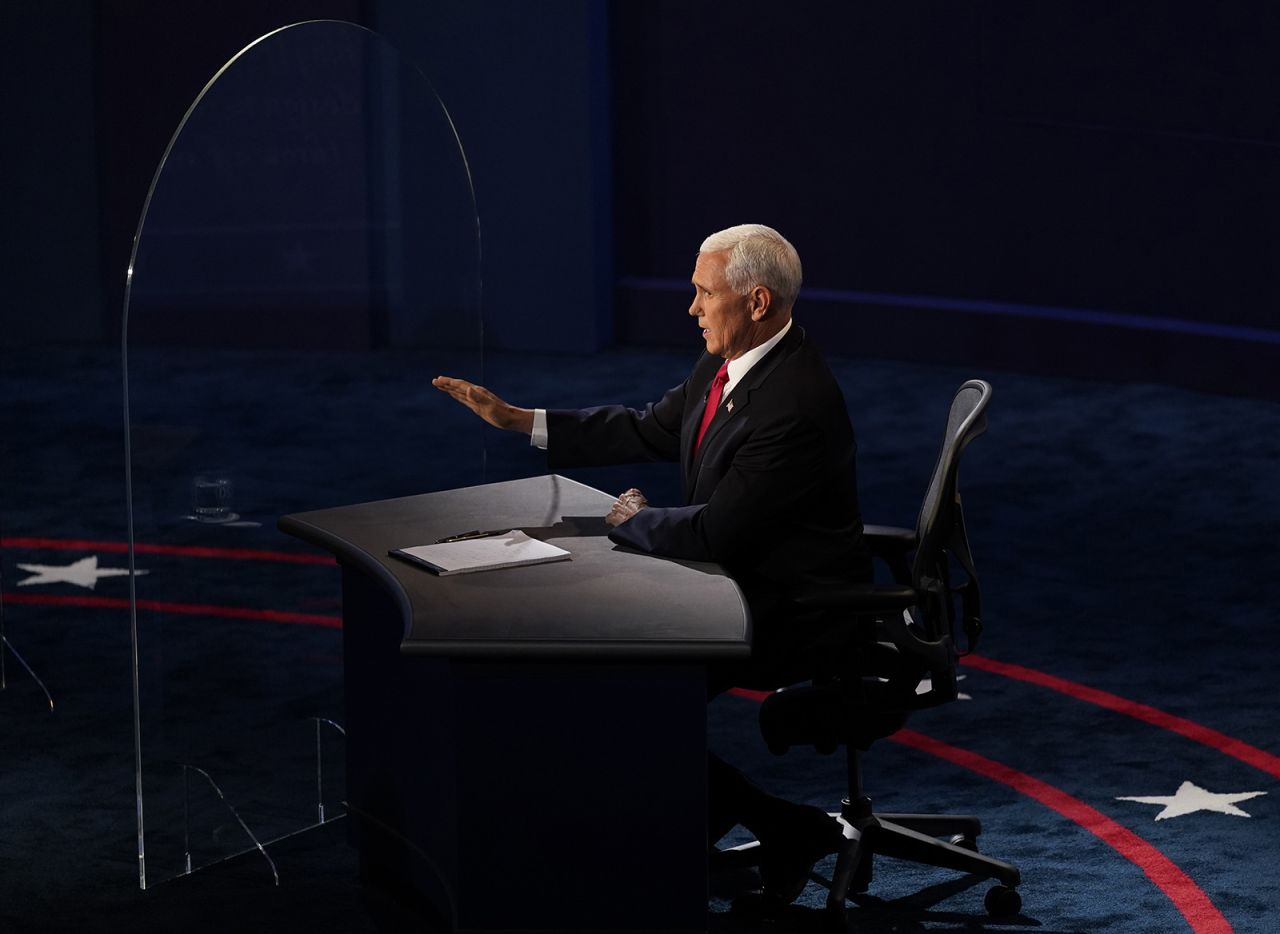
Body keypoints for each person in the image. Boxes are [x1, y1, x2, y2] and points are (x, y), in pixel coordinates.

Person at [433, 224, 871, 903]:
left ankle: (735, 837)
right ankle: (754, 830)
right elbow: (649, 426)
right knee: (601, 686)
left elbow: (720, 531)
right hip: (730, 581)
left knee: (619, 693)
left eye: (703, 293)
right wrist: (521, 421)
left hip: (787, 607)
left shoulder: (796, 404)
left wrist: (633, 521)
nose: (691, 309)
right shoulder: (727, 363)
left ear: (756, 301)